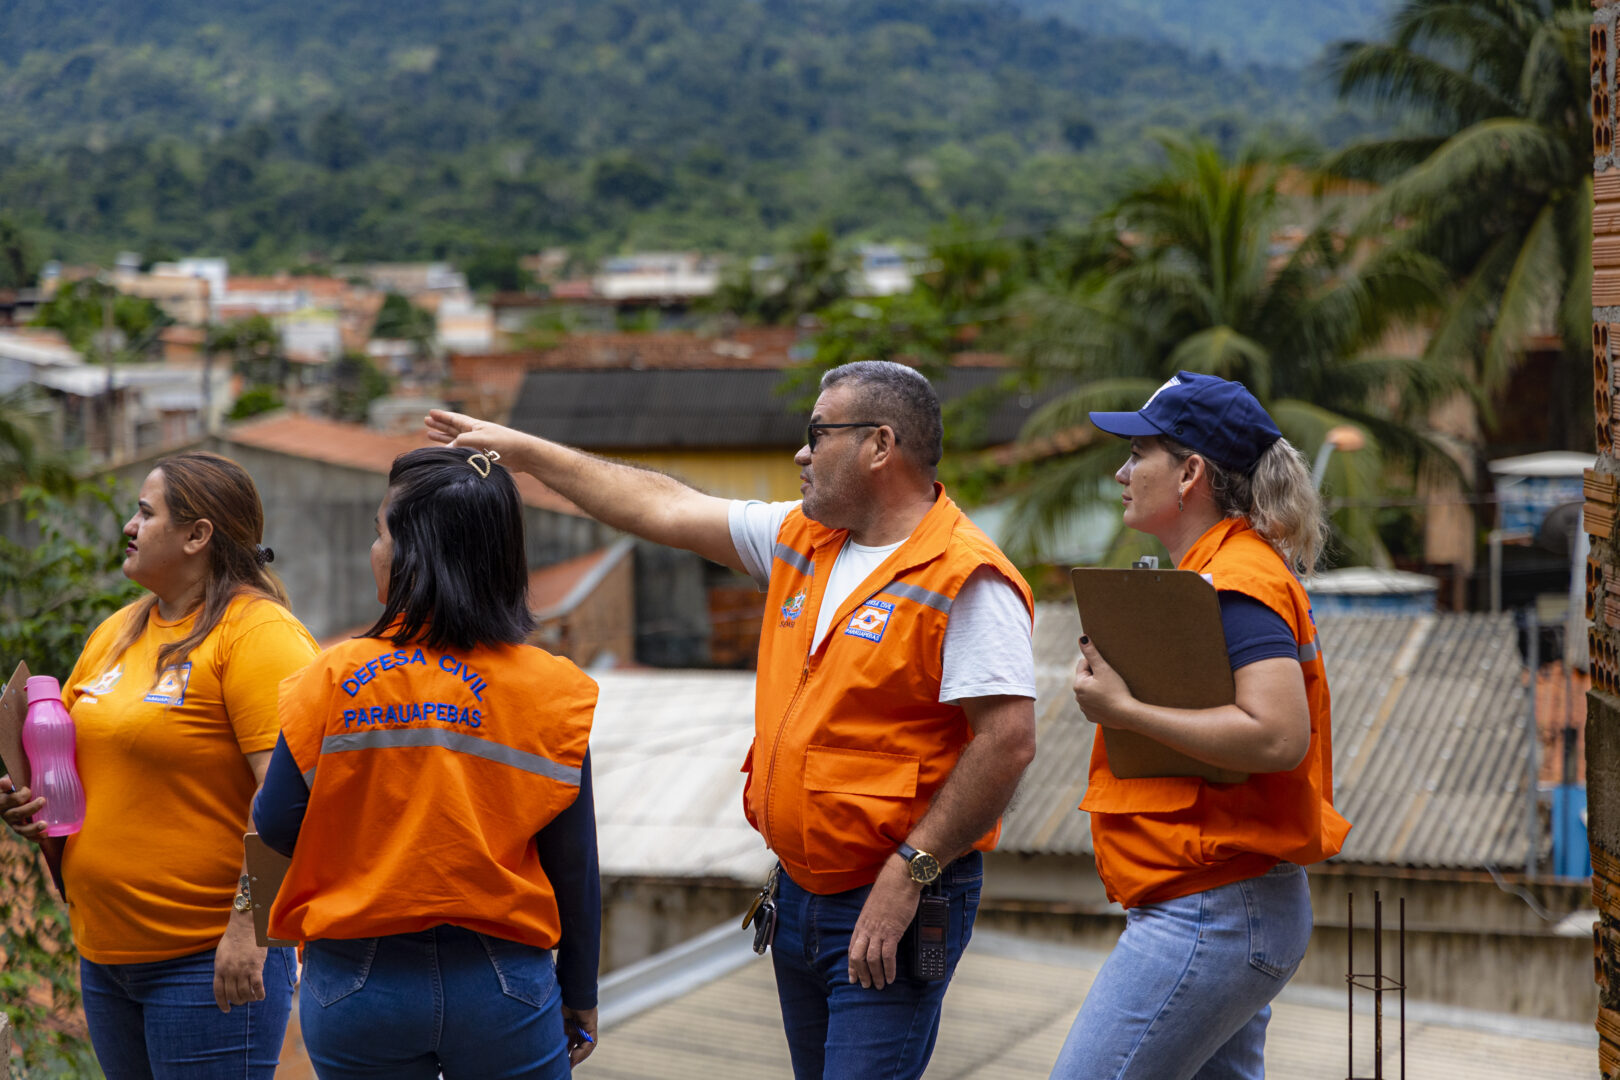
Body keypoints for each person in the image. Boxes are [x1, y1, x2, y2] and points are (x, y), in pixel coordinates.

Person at [425, 359, 1038, 1080]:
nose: (801, 453)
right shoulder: (803, 540)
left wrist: (910, 873)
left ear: (880, 445)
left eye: (818, 433)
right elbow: (660, 506)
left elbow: (1008, 741)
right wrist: (526, 454)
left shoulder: (965, 577)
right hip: (800, 895)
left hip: (891, 899)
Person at [252, 445, 601, 1080]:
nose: (373, 550)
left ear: (415, 555)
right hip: (503, 986)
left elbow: (275, 824)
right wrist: (581, 992)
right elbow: (573, 865)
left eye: (380, 533)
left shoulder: (333, 676)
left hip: (356, 982)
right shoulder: (554, 691)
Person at [1050, 371, 1352, 1080]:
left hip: (1214, 909)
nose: (1121, 472)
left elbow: (1277, 736)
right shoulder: (1217, 569)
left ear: (1190, 472)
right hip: (1225, 900)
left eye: (1137, 454)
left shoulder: (1239, 579)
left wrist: (1124, 710)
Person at [0, 451, 316, 1080]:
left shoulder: (256, 635)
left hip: (206, 960)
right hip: (107, 954)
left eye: (146, 513)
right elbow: (66, 758)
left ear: (198, 536)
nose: (129, 525)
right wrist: (23, 802)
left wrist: (249, 932)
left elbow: (296, 798)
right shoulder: (118, 631)